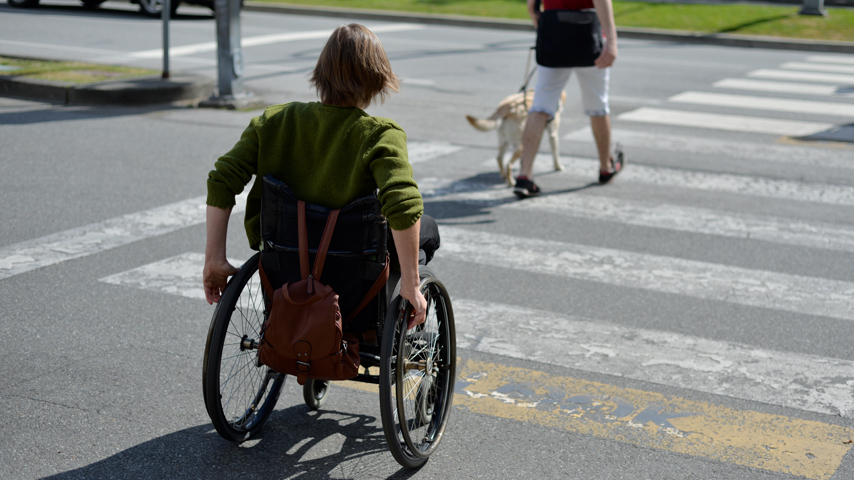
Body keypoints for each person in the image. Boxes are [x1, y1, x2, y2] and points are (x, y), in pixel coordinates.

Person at [202, 23, 427, 327]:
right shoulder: (380, 135)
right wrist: (412, 285)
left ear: (321, 73)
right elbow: (402, 204)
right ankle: (398, 310)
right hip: (353, 277)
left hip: (284, 266)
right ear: (378, 78)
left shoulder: (272, 123)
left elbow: (221, 180)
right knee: (428, 231)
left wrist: (214, 259)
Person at [514, 0, 624, 199]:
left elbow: (532, 6)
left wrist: (541, 27)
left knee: (540, 106)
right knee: (598, 106)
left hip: (554, 34)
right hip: (588, 35)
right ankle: (605, 167)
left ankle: (524, 175)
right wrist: (612, 41)